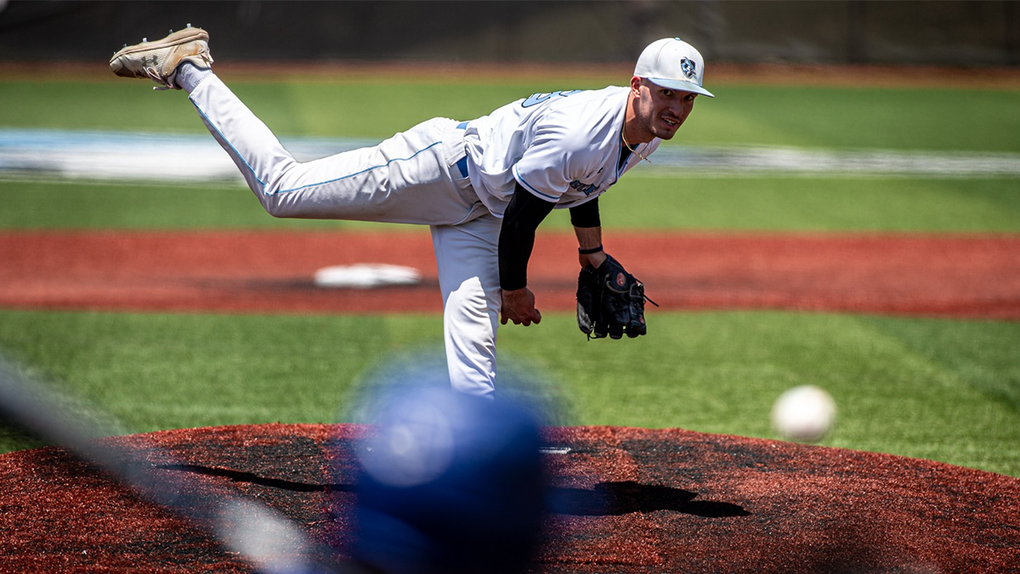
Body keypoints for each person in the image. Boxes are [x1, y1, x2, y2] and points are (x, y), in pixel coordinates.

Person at [110, 27, 713, 399]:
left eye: (687, 98)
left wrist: (593, 254)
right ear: (638, 85)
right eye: (667, 94)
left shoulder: (644, 131)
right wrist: (516, 291)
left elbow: (585, 185)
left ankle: (470, 481)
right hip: (439, 170)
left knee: (473, 346)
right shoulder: (583, 130)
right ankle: (190, 66)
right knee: (283, 191)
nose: (677, 108)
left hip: (482, 211)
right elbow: (530, 215)